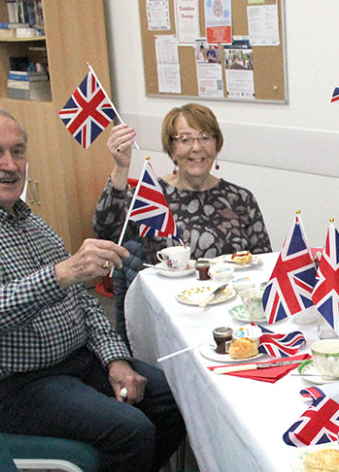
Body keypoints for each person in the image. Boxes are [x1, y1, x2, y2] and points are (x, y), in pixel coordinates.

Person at [0, 106, 186, 472]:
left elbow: (84, 303)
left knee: (172, 398)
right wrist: (61, 273)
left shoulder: (32, 222)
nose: (10, 165)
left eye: (18, 151)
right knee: (131, 430)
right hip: (14, 384)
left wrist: (115, 360)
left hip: (78, 362)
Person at [93, 103, 271, 339]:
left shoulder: (240, 199)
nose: (196, 148)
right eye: (185, 139)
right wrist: (121, 167)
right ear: (172, 148)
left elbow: (264, 264)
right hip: (174, 319)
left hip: (233, 316)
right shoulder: (152, 196)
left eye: (205, 137)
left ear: (216, 146)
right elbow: (105, 232)